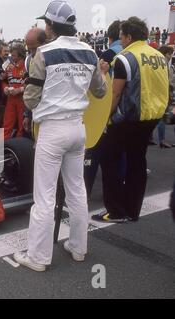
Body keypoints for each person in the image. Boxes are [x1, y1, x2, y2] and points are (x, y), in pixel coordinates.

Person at [15, 1, 109, 272]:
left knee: (44, 196)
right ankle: (79, 248)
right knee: (77, 190)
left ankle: (39, 257)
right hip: (78, 128)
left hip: (53, 129)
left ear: (50, 25)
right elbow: (100, 92)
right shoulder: (90, 52)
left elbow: (31, 100)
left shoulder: (43, 53)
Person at [92, 17, 169, 223]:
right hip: (151, 117)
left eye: (122, 37)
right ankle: (132, 210)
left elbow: (115, 94)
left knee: (110, 160)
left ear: (128, 36)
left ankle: (115, 211)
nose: (121, 41)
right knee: (137, 161)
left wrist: (105, 118)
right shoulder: (159, 56)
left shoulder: (124, 58)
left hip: (127, 118)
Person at [84, 20, 123, 197]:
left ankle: (86, 189)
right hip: (125, 110)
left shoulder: (109, 54)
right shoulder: (129, 53)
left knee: (94, 151)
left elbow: (99, 87)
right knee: (118, 151)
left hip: (105, 107)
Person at [23, 28, 47, 135]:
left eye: (35, 49)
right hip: (37, 111)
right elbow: (32, 89)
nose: (33, 53)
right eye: (30, 50)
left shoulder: (51, 57)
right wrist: (27, 115)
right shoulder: (29, 60)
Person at [2, 43, 26, 140]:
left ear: (20, 55)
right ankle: (1, 148)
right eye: (11, 55)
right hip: (10, 99)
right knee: (6, 124)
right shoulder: (8, 66)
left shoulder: (27, 65)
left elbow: (32, 84)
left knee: (22, 126)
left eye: (14, 55)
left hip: (23, 100)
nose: (11, 57)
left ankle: (18, 149)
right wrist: (5, 88)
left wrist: (19, 90)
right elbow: (2, 80)